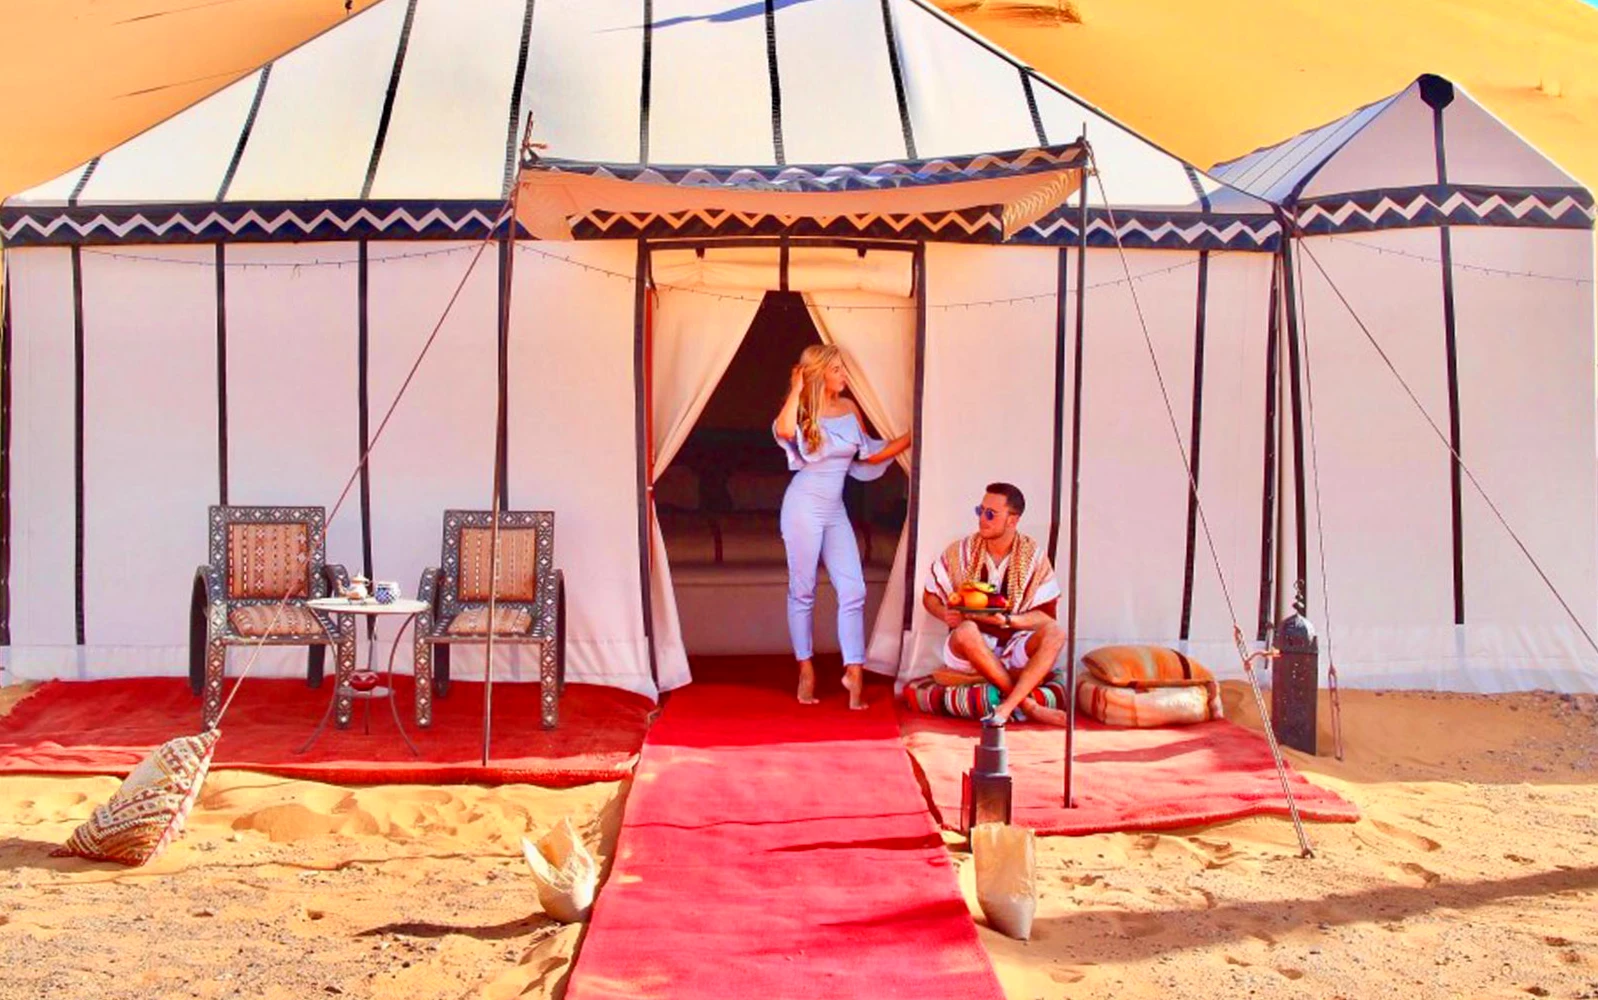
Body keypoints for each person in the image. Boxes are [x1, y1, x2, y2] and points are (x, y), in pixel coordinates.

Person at [774, 344, 911, 708]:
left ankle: (854, 669)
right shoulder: (802, 411)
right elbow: (784, 430)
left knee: (853, 589)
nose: (845, 376)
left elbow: (869, 452)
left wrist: (911, 437)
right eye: (837, 370)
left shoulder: (850, 409)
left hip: (835, 510)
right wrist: (798, 388)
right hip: (802, 506)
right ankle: (805, 669)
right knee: (802, 590)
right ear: (820, 374)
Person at [922, 483, 1070, 725]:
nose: (983, 519)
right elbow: (929, 597)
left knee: (1056, 634)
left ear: (1013, 520)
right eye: (980, 510)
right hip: (968, 647)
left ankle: (1005, 705)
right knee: (967, 631)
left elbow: (1046, 617)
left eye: (991, 514)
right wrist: (944, 613)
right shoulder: (961, 551)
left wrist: (1010, 621)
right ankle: (1027, 705)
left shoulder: (1032, 555)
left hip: (1014, 642)